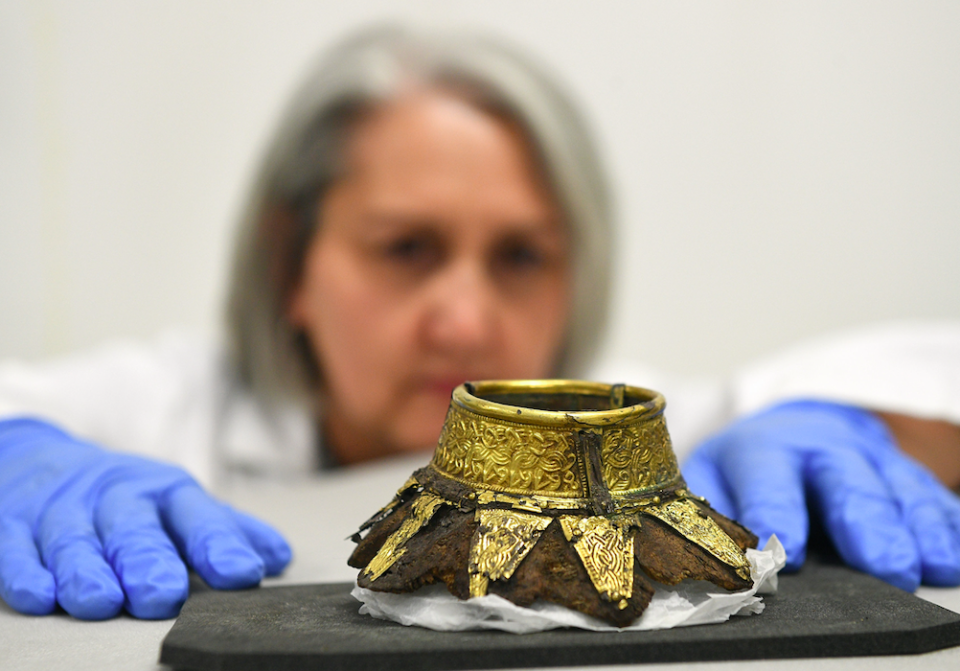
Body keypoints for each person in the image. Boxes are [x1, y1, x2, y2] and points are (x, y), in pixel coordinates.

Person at [1, 26, 959, 622]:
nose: (465, 320)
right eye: (406, 248)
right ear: (291, 264)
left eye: (521, 256)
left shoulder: (623, 433)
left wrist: (837, 419)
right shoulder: (159, 411)